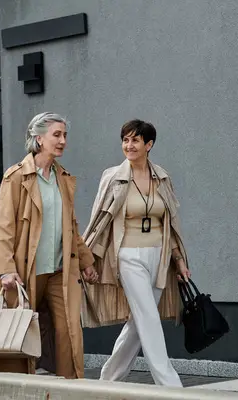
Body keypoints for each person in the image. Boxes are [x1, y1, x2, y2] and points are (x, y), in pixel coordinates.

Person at [0, 112, 98, 379]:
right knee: (18, 331)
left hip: (60, 270)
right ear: (39, 138)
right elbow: (4, 227)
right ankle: (12, 388)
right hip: (24, 272)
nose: (62, 141)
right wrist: (6, 269)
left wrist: (86, 261)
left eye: (65, 135)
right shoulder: (16, 177)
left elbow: (70, 226)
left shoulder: (63, 178)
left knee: (69, 330)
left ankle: (70, 389)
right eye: (56, 135)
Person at [81, 119, 190, 387]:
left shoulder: (162, 177)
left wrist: (179, 260)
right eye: (125, 140)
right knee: (149, 317)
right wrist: (88, 259)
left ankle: (109, 378)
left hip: (159, 256)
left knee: (139, 320)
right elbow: (98, 222)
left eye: (135, 140)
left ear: (149, 145)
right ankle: (170, 385)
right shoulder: (113, 177)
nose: (129, 145)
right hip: (128, 255)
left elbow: (171, 224)